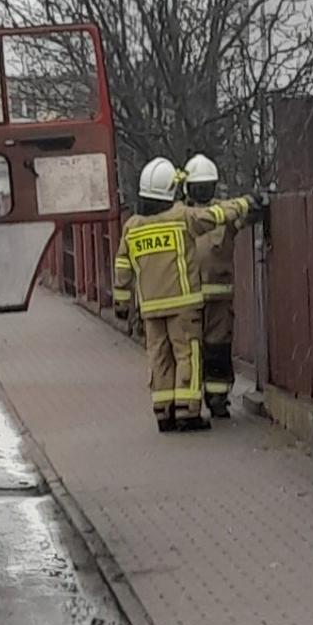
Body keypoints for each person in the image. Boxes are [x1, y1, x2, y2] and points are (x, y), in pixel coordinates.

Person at [112, 157, 258, 432]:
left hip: (151, 307)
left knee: (159, 357)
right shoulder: (181, 218)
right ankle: (187, 412)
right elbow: (215, 215)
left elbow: (122, 266)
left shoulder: (132, 226)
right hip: (182, 303)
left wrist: (121, 302)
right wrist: (246, 203)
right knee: (187, 355)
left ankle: (163, 413)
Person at [180, 154, 241, 418]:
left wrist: (257, 203)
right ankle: (189, 404)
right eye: (199, 187)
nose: (204, 192)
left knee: (217, 349)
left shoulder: (224, 213)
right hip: (188, 298)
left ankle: (217, 399)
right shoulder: (179, 215)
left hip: (216, 299)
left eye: (207, 186)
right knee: (191, 351)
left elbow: (243, 215)